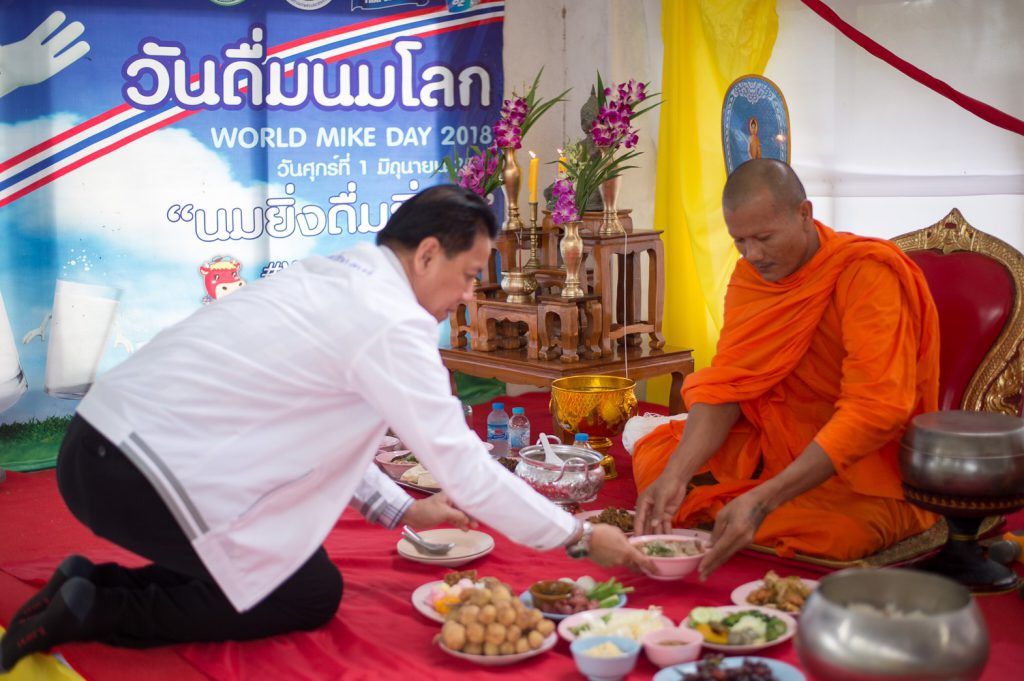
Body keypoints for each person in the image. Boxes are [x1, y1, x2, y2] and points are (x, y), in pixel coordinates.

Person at [0, 185, 653, 672]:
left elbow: (325, 431)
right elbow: (463, 466)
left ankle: (86, 584)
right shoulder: (392, 322)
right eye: (470, 275)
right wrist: (577, 535)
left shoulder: (338, 274)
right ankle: (98, 610)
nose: (468, 295)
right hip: (135, 470)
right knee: (303, 593)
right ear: (428, 254)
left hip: (106, 446)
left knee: (294, 571)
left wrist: (402, 508)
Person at [633, 159, 941, 580]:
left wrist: (764, 498)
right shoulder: (750, 278)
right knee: (657, 464)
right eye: (739, 241)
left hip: (854, 468)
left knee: (837, 534)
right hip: (771, 447)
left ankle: (749, 509)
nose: (752, 255)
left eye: (764, 238)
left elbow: (875, 409)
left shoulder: (867, 275)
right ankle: (741, 509)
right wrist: (676, 474)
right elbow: (729, 384)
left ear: (804, 214)